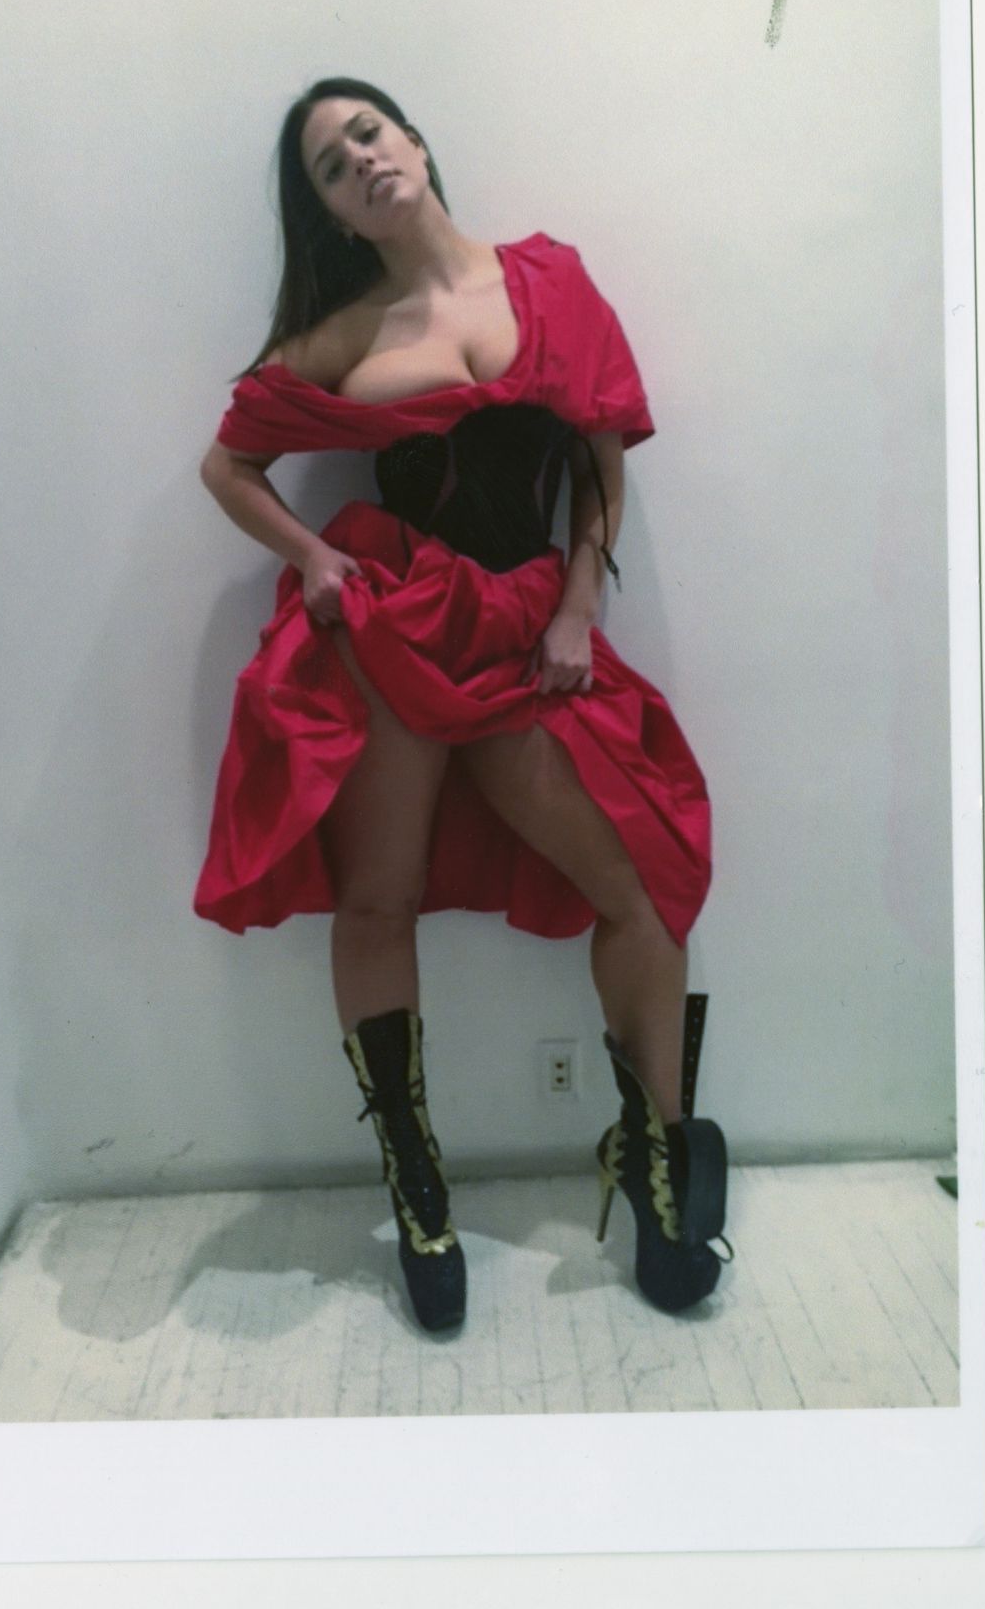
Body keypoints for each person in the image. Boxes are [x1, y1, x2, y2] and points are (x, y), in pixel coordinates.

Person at [195, 76, 729, 1335]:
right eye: (331, 167)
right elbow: (229, 462)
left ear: (417, 140)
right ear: (330, 213)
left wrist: (579, 603)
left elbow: (598, 451)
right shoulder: (341, 335)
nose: (360, 161)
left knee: (643, 886)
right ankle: (416, 1183)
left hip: (529, 633)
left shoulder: (548, 281)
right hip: (398, 628)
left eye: (367, 133)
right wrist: (313, 559)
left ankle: (653, 1156)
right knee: (377, 897)